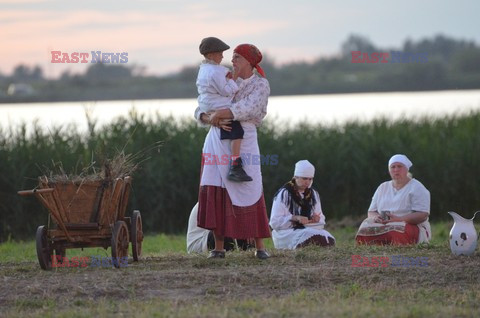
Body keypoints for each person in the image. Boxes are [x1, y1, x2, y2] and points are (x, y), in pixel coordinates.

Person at [194, 43, 271, 259]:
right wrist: (210, 118)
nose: (233, 60)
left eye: (237, 57)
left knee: (249, 186)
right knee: (218, 187)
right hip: (216, 138)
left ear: (249, 61)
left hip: (243, 140)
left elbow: (249, 108)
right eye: (233, 56)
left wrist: (222, 113)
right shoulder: (225, 78)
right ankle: (218, 246)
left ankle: (260, 246)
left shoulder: (260, 85)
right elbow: (201, 104)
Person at [197, 37, 252, 182]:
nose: (222, 56)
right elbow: (227, 91)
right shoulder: (216, 72)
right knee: (236, 130)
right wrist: (232, 79)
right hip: (217, 106)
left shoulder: (203, 70)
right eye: (219, 53)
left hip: (207, 105)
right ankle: (235, 165)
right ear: (210, 55)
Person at [355, 154, 431, 245]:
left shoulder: (417, 187)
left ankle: (391, 241)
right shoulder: (382, 187)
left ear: (407, 169)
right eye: (393, 167)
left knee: (395, 230)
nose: (396, 170)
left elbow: (423, 214)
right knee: (365, 227)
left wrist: (400, 219)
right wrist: (376, 217)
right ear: (389, 170)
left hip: (409, 225)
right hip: (384, 224)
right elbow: (371, 211)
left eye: (399, 166)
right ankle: (376, 243)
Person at [269, 160, 335, 249]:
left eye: (310, 179)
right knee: (311, 237)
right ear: (295, 177)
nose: (307, 182)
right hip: (287, 233)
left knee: (328, 238)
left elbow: (321, 217)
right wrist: (295, 218)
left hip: (308, 229)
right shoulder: (284, 194)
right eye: (304, 178)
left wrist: (315, 219)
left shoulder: (313, 194)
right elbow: (274, 223)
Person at [186, 202, 252, 253]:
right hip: (199, 243)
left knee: (247, 233)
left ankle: (247, 251)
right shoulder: (212, 198)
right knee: (225, 231)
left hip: (209, 238)